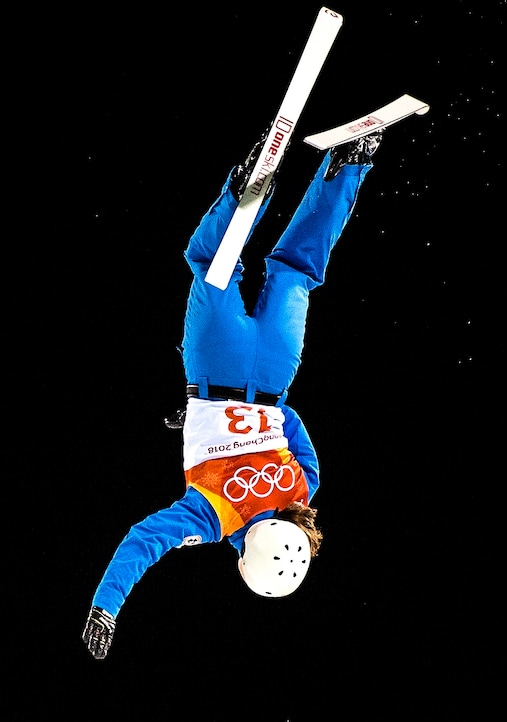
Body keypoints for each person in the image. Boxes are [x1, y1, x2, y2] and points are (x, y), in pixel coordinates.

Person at [82, 126, 384, 661]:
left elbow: (293, 423)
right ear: (244, 561)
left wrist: (238, 415)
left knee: (295, 275)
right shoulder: (212, 517)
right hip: (214, 365)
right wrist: (105, 607)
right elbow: (143, 540)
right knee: (210, 268)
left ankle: (349, 165)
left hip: (272, 371)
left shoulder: (303, 491)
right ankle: (245, 191)